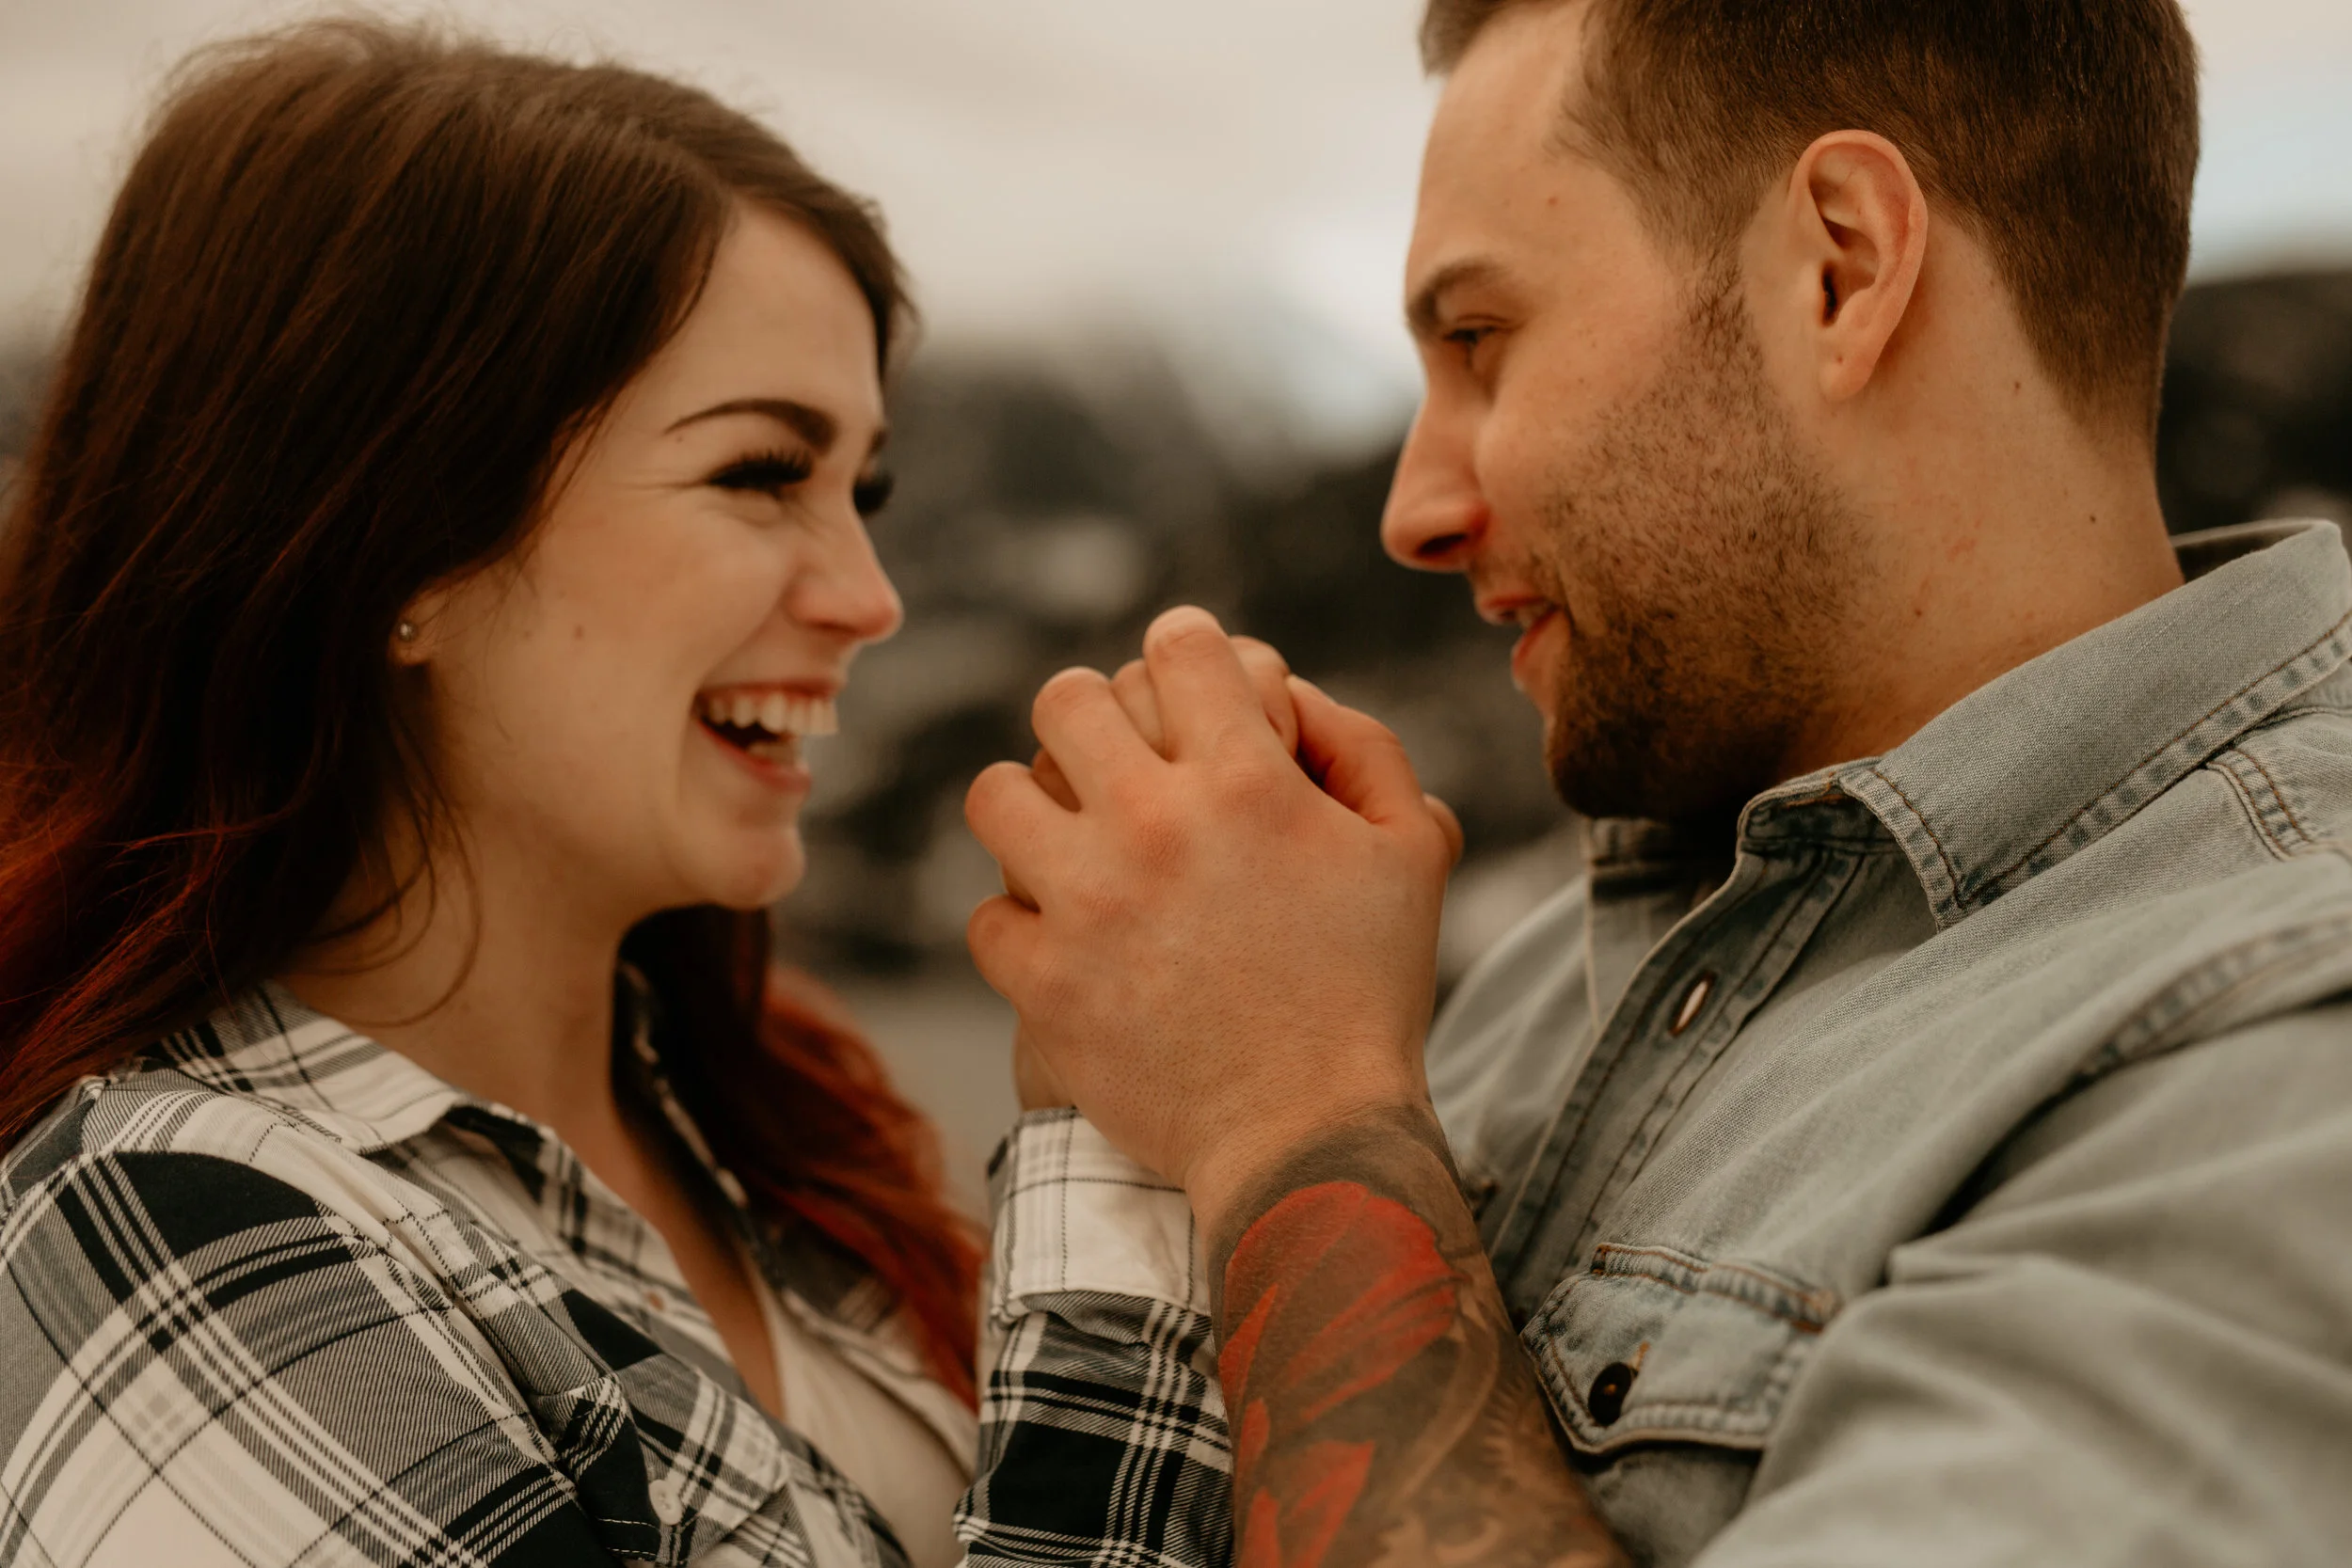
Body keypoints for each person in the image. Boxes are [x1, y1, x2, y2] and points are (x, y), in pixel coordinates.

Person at [961, 0, 2352, 1563]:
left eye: (1479, 339)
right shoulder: (1562, 970)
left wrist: (1291, 1117)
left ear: (1840, 269)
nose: (1414, 508)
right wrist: (1146, 1090)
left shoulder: (2290, 1048)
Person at [0, 23, 1092, 1566]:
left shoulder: (780, 1128)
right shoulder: (173, 1234)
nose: (872, 596)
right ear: (404, 545)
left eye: (866, 490)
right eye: (762, 473)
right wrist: (1117, 1161)